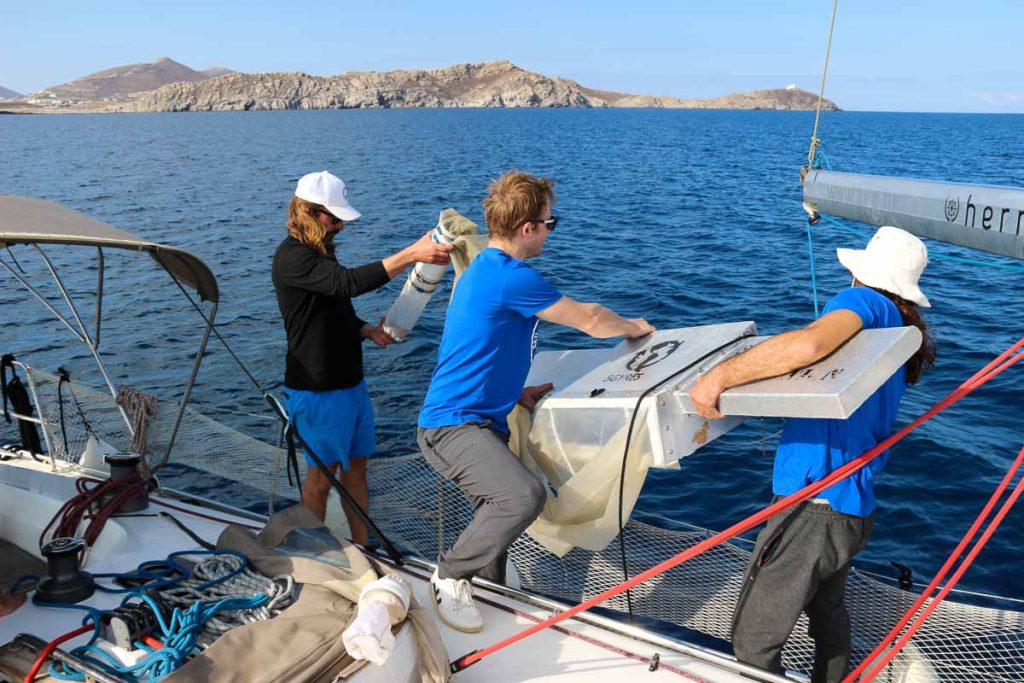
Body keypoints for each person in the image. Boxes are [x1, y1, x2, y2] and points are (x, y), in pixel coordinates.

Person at [689, 225, 936, 682]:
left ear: (863, 274)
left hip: (813, 508)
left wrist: (719, 377)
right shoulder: (900, 333)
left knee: (752, 638)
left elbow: (808, 345)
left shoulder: (863, 304)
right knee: (828, 614)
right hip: (853, 512)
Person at [417, 170, 655, 632]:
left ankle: (489, 583)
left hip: (476, 419)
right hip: (452, 428)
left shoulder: (483, 269)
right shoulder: (510, 277)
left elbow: (482, 345)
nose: (550, 230)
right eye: (550, 222)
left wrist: (515, 392)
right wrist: (634, 327)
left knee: (501, 501)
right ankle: (449, 576)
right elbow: (588, 318)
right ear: (528, 229)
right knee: (521, 496)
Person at [272, 170, 453, 546]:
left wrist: (365, 330)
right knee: (321, 480)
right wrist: (411, 255)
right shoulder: (292, 258)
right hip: (318, 391)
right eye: (334, 218)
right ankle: (315, 553)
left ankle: (362, 547)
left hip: (350, 384)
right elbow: (348, 284)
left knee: (356, 474)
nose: (340, 226)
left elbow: (332, 308)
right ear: (308, 212)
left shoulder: (319, 254)